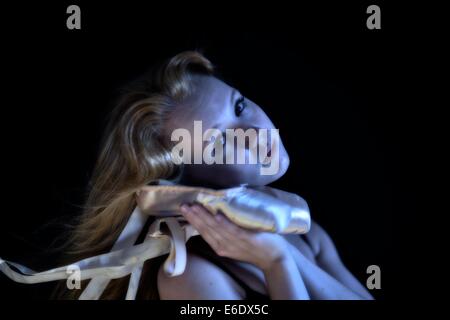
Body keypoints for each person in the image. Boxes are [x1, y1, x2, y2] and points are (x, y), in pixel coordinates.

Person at [55, 51, 373, 300]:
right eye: (219, 141)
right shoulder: (190, 277)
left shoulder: (300, 227)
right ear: (183, 185)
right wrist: (277, 264)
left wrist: (286, 253)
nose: (256, 132)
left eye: (239, 106)